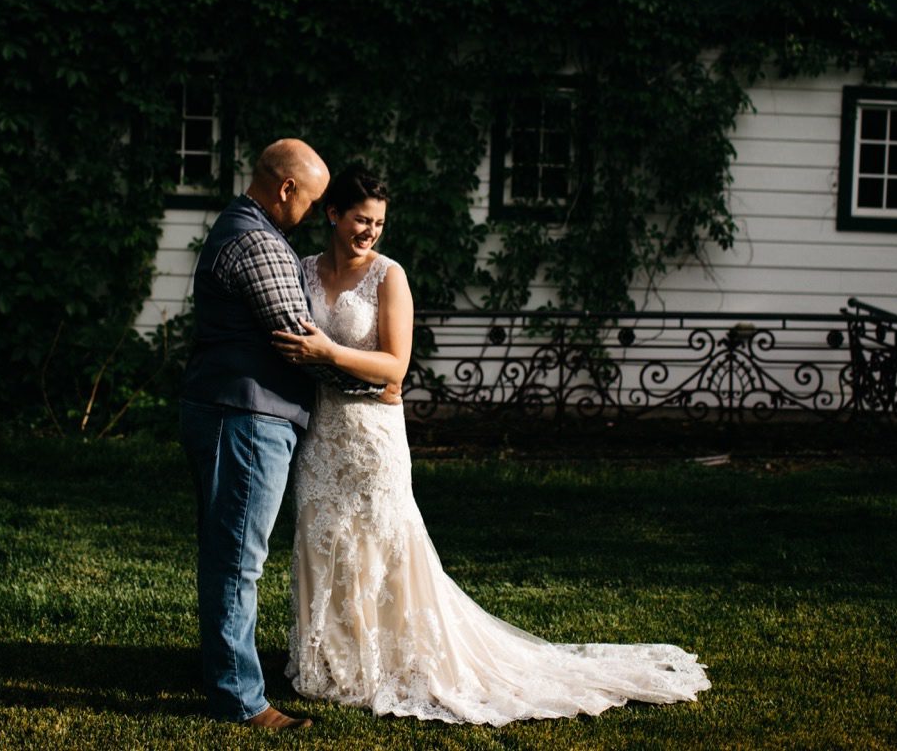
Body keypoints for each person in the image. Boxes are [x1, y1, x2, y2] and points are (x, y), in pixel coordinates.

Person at [272, 165, 711, 725]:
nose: (371, 232)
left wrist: (329, 355)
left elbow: (395, 367)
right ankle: (335, 662)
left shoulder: (389, 277)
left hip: (371, 438)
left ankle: (391, 662)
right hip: (320, 433)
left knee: (383, 544)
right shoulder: (302, 271)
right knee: (324, 537)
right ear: (333, 214)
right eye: (362, 219)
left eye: (379, 222)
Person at [179, 138, 395, 730]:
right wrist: (374, 386)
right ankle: (240, 700)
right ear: (286, 189)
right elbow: (300, 342)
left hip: (231, 411)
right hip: (246, 417)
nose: (315, 211)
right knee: (238, 561)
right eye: (314, 198)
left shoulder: (245, 229)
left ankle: (221, 671)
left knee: (226, 553)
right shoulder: (259, 242)